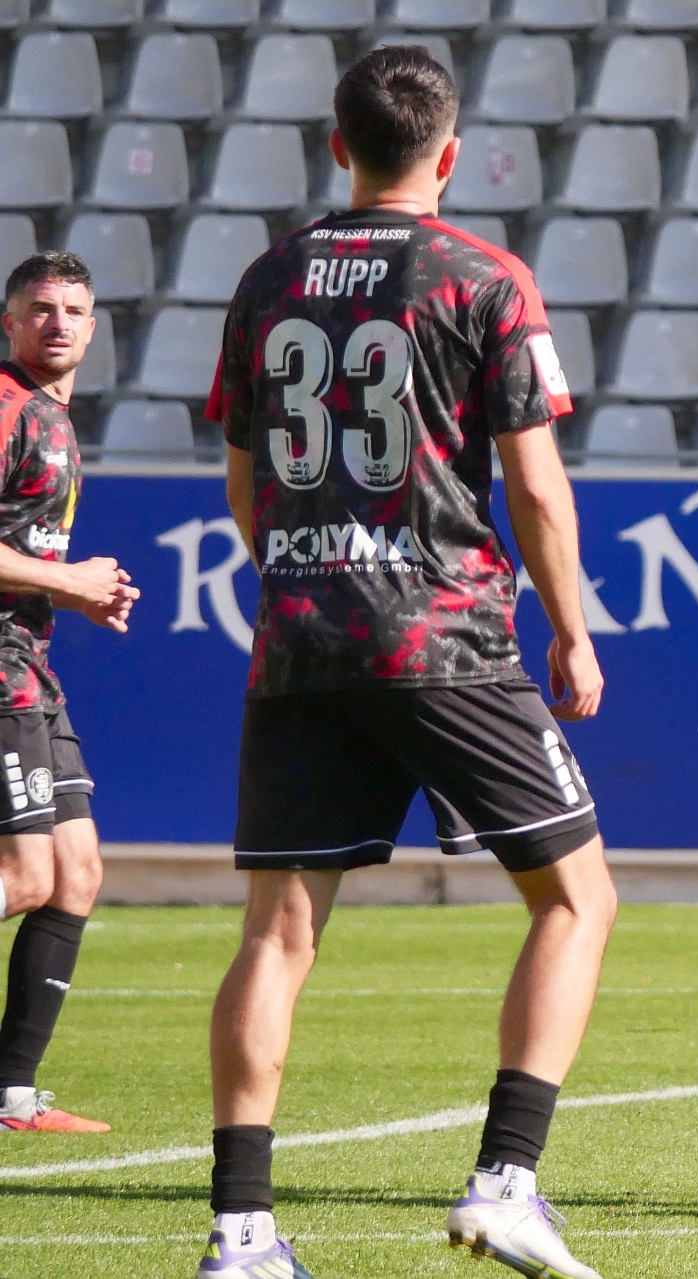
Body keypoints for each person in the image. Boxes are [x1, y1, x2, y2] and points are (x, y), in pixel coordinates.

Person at [199, 46, 616, 1279]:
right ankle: (506, 1182)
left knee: (277, 933)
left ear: (339, 146)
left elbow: (244, 482)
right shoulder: (484, 278)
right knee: (577, 899)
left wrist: (306, 578)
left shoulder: (268, 279)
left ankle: (240, 1233)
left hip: (299, 637)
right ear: (450, 154)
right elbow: (535, 485)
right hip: (442, 633)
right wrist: (572, 626)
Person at [0, 251, 137, 1136]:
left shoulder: (50, 414)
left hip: (28, 661)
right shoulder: (7, 407)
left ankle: (10, 1094)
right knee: (26, 872)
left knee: (76, 871)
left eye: (73, 310)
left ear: (92, 328)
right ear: (9, 321)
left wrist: (77, 590)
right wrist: (71, 580)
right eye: (40, 308)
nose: (57, 323)